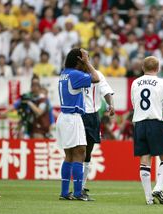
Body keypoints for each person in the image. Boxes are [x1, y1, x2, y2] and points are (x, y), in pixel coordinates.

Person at [56, 48, 99, 201]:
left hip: (64, 116)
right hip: (72, 117)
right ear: (79, 60)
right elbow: (96, 78)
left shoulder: (64, 73)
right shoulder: (75, 74)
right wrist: (87, 62)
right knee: (80, 152)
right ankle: (78, 192)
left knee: (69, 155)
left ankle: (64, 192)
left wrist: (85, 61)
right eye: (85, 58)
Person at [131, 56, 163, 205]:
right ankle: (159, 187)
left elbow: (134, 104)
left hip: (140, 123)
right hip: (156, 121)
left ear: (143, 68)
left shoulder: (135, 83)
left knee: (145, 159)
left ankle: (149, 199)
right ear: (158, 68)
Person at [81, 68, 114, 197]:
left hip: (92, 116)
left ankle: (82, 185)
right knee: (77, 151)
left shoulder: (97, 74)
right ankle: (76, 187)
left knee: (87, 152)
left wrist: (111, 104)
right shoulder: (74, 74)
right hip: (77, 115)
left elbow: (106, 91)